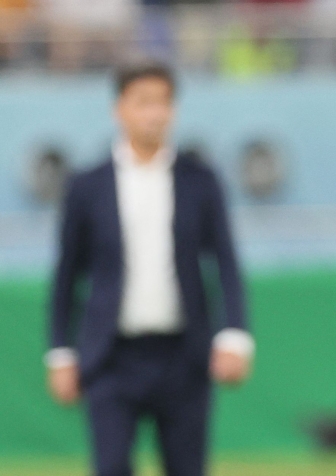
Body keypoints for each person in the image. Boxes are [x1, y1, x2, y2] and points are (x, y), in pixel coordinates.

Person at [46, 62, 254, 476]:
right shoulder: (87, 185)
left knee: (186, 467)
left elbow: (226, 260)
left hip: (183, 354)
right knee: (111, 466)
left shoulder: (200, 180)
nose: (153, 113)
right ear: (119, 109)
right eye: (143, 102)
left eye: (162, 102)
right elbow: (67, 275)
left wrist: (234, 334)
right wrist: (60, 352)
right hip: (111, 356)